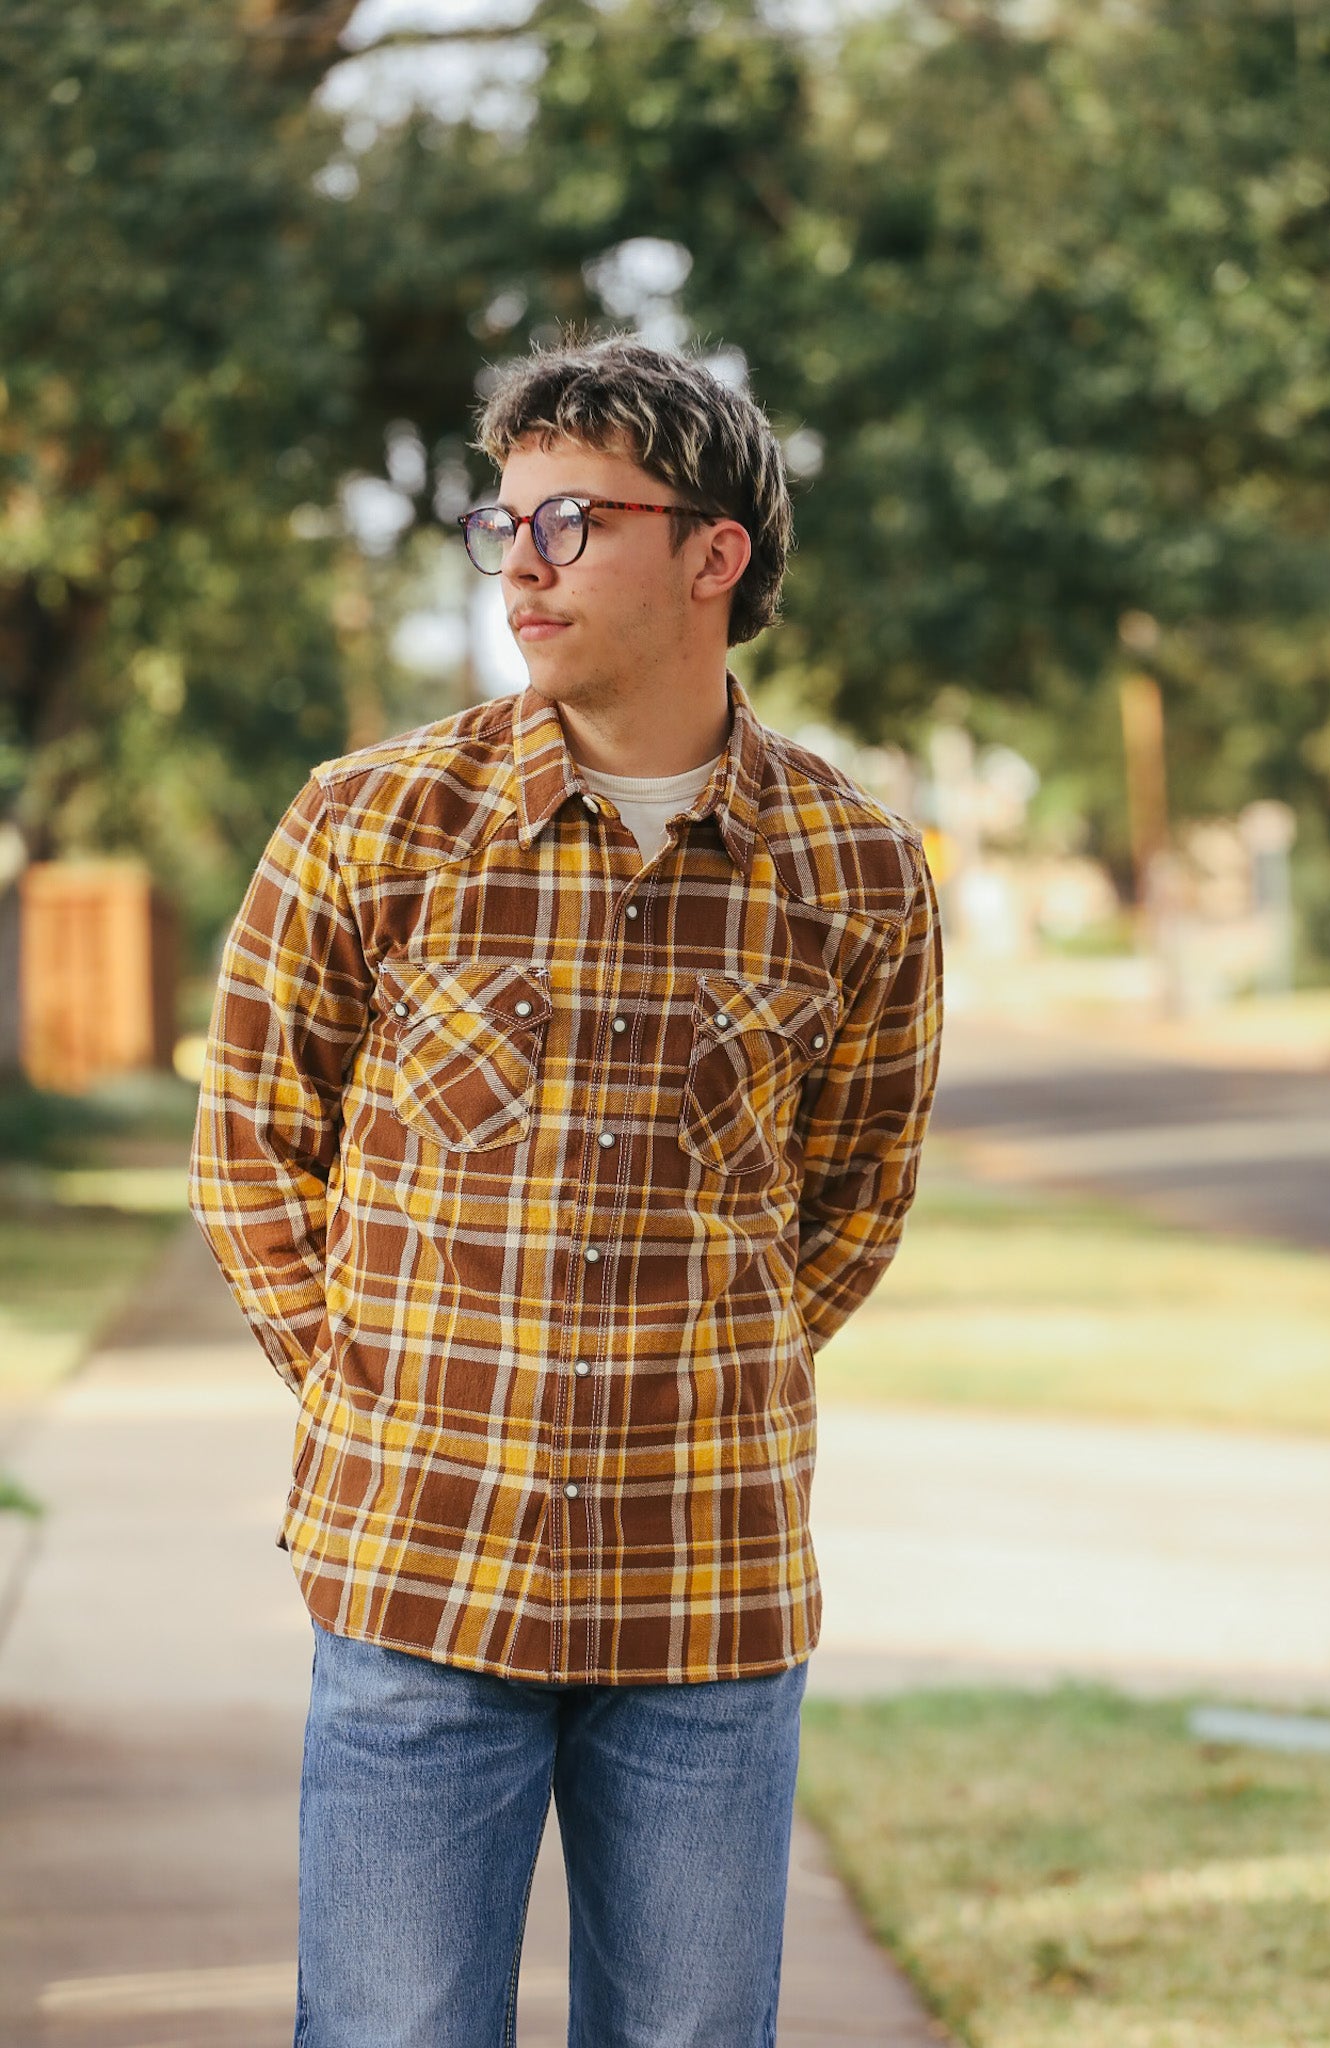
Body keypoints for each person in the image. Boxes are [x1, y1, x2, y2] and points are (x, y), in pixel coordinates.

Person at [188, 333, 943, 2048]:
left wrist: (701, 1382)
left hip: (707, 1592)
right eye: (504, 523)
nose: (520, 567)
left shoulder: (859, 869)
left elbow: (853, 1198)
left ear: (711, 555)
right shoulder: (369, 825)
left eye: (570, 524)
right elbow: (249, 1149)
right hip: (419, 1580)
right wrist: (373, 1394)